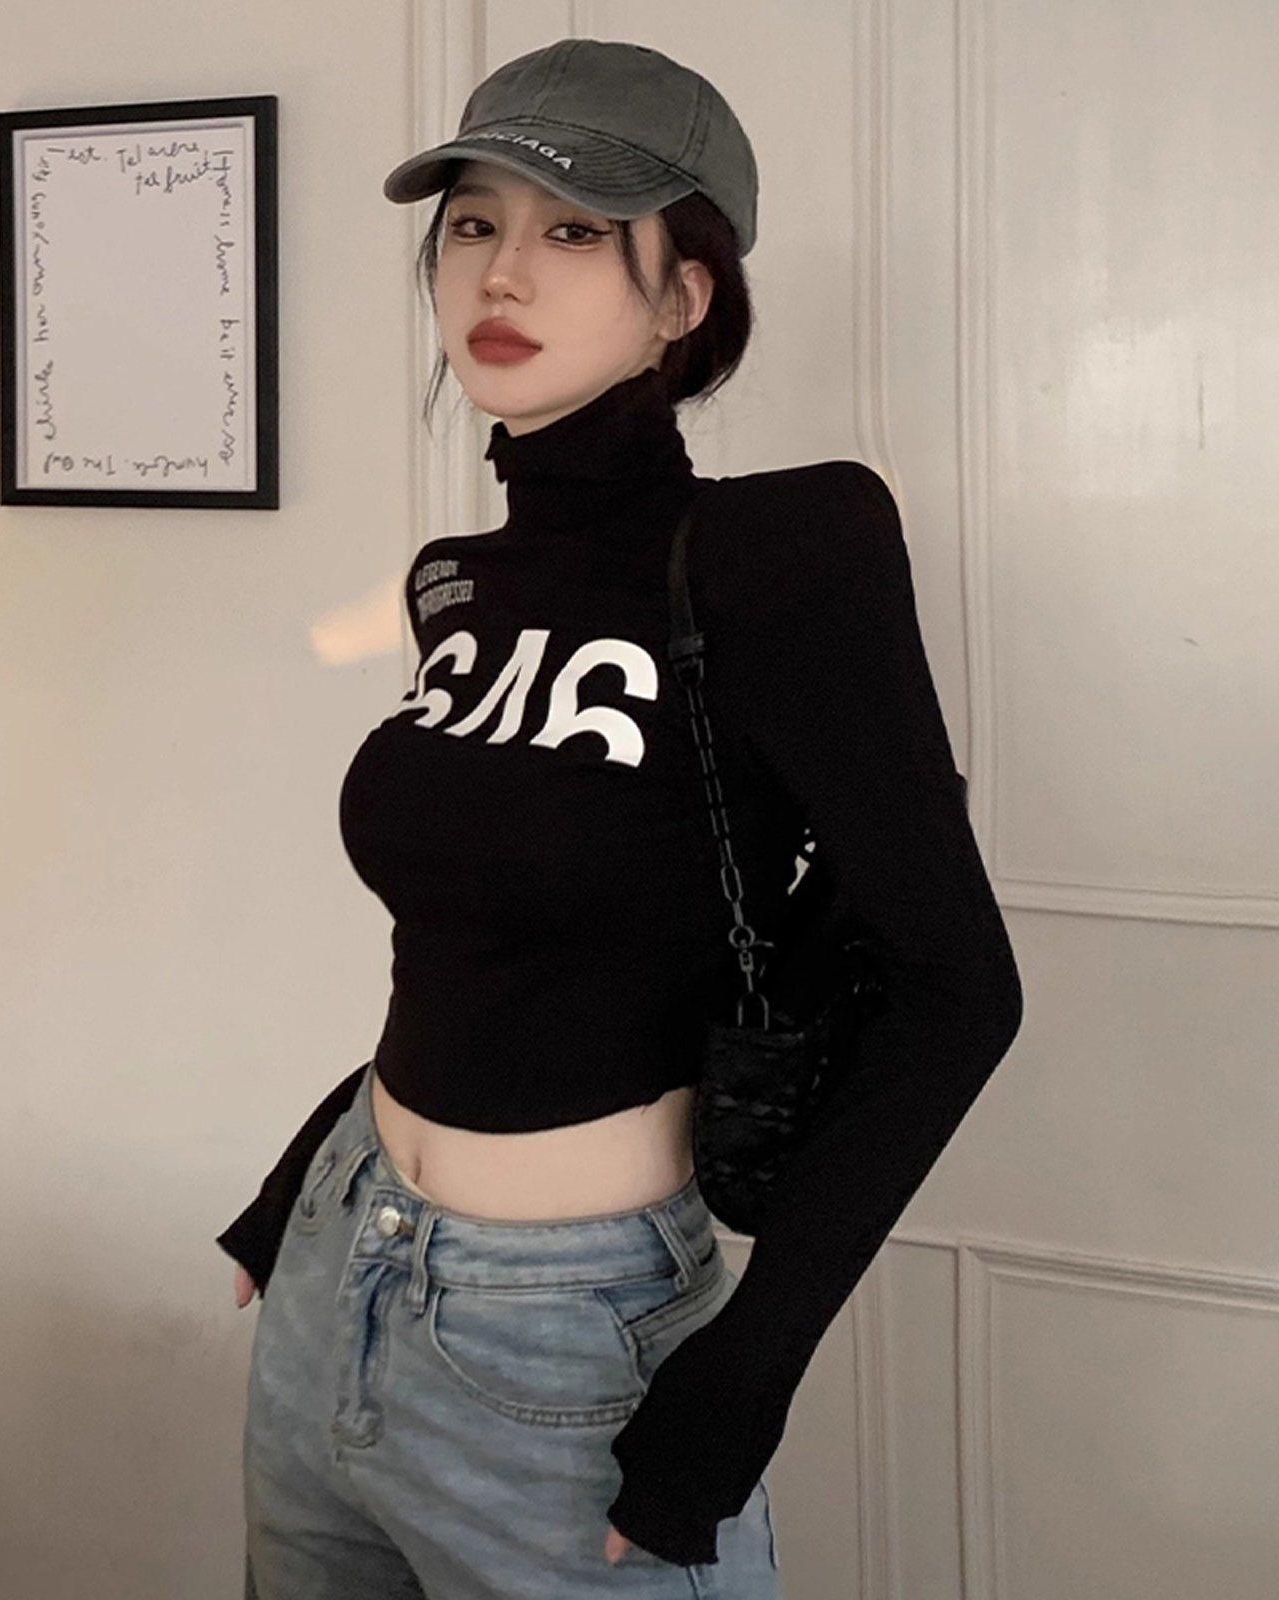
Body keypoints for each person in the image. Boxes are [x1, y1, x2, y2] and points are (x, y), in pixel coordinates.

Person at [220, 36, 1023, 1597]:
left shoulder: (787, 550)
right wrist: (298, 1182)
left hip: (563, 1333)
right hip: (339, 1265)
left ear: (682, 296)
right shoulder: (458, 582)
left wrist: (742, 1383)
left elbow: (957, 990)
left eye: (576, 230)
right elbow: (480, 939)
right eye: (472, 222)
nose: (502, 270)